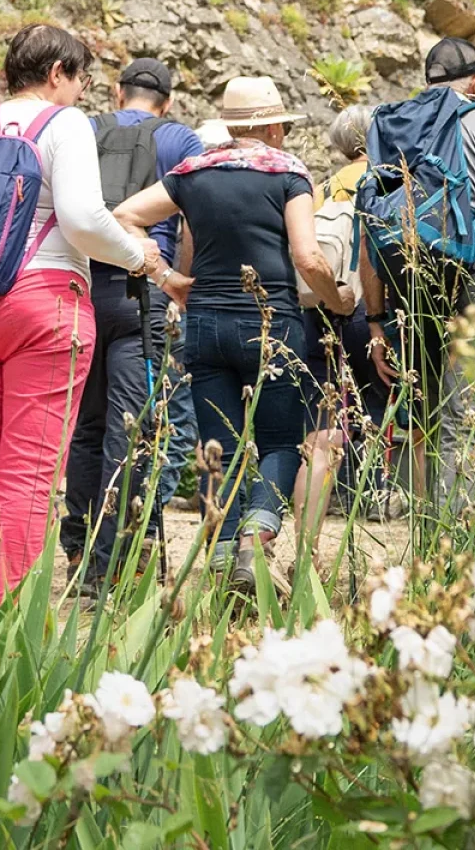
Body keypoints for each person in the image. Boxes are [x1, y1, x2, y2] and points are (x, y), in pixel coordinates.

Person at [0, 24, 166, 602]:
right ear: (58, 74)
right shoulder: (64, 124)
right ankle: (1, 623)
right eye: (79, 81)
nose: (81, 95)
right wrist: (138, 256)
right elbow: (81, 217)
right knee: (27, 476)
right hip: (45, 306)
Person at [114, 76, 352, 593]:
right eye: (284, 125)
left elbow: (125, 216)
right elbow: (309, 258)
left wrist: (166, 278)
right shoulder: (288, 173)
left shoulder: (192, 172)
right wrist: (338, 302)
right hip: (270, 323)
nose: (285, 134)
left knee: (219, 442)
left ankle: (223, 564)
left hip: (203, 323)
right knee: (278, 441)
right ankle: (253, 545)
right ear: (269, 126)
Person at [362, 37, 475, 506]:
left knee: (427, 412)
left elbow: (371, 221)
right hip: (473, 274)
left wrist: (375, 318)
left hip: (408, 279)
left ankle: (430, 535)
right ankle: (458, 542)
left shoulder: (391, 124)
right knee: (467, 412)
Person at [62, 57, 204, 592]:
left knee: (87, 426)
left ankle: (77, 547)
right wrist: (178, 280)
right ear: (166, 101)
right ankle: (113, 560)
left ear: (119, 93)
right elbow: (191, 218)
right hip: (142, 293)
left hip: (79, 289)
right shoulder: (179, 140)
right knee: (133, 427)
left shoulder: (84, 129)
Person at [296, 104, 389, 536]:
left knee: (327, 405)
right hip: (366, 301)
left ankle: (325, 493)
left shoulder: (320, 187)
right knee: (372, 396)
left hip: (322, 302)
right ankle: (367, 492)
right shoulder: (387, 178)